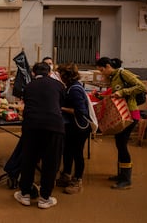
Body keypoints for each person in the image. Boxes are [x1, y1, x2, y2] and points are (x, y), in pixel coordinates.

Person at [14, 62, 65, 209]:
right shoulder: (59, 85)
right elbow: (60, 104)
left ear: (34, 73)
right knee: (51, 162)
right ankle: (44, 198)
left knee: (28, 160)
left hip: (32, 127)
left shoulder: (29, 86)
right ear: (49, 72)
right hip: (54, 127)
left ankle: (25, 195)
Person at [95, 57, 146, 189]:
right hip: (121, 114)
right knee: (119, 143)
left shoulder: (123, 73)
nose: (101, 73)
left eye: (101, 70)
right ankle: (121, 174)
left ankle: (126, 180)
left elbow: (141, 86)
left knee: (122, 145)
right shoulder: (113, 77)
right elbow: (114, 93)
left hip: (130, 113)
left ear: (107, 66)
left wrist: (122, 92)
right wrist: (103, 96)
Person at [55, 62, 91, 194]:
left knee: (77, 153)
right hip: (71, 126)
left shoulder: (74, 89)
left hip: (79, 128)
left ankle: (77, 180)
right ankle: (66, 175)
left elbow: (80, 111)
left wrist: (60, 108)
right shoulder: (71, 86)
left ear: (65, 75)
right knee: (67, 151)